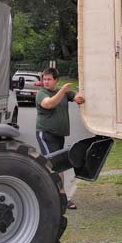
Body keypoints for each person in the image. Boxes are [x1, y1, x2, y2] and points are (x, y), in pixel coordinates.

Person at [35, 67, 85, 209]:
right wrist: (63, 91)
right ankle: (60, 199)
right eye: (44, 79)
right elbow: (49, 104)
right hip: (46, 134)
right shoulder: (42, 93)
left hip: (58, 135)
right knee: (54, 165)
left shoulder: (61, 92)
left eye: (49, 79)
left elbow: (75, 96)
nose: (46, 82)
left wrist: (77, 98)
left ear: (55, 80)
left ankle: (55, 196)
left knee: (56, 166)